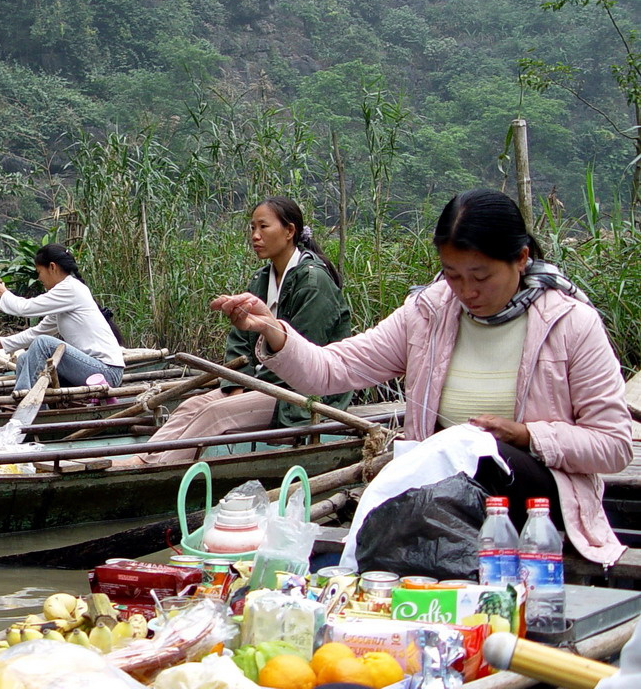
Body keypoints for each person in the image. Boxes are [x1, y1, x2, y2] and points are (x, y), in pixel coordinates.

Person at [212, 188, 632, 566]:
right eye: (452, 275)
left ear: (521, 258)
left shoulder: (570, 323)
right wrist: (274, 332)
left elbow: (613, 445)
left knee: (473, 445)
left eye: (481, 276)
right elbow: (333, 369)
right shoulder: (430, 312)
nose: (466, 291)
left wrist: (527, 436)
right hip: (440, 497)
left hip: (534, 501)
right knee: (439, 471)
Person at [120, 197, 352, 467]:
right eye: (252, 228)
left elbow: (302, 354)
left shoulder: (313, 282)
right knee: (191, 406)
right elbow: (240, 341)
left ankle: (155, 470)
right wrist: (236, 384)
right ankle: (139, 459)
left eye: (264, 227)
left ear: (289, 232)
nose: (255, 236)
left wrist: (251, 385)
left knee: (216, 414)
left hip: (305, 393)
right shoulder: (262, 279)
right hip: (263, 385)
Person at [0, 244, 125, 392]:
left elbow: (25, 308)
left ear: (52, 267)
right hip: (91, 369)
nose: (39, 278)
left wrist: (4, 293)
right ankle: (40, 408)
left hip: (107, 373)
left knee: (44, 343)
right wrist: (1, 343)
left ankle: (22, 397)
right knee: (24, 358)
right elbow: (38, 331)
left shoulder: (70, 288)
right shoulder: (65, 296)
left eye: (39, 272)